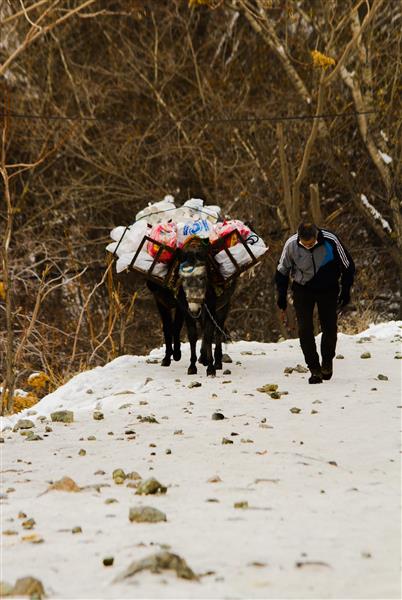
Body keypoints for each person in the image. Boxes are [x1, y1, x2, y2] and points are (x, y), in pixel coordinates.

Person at [275, 222, 355, 384]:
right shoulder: (291, 244)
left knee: (329, 327)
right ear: (299, 238)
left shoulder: (330, 240)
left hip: (328, 288)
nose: (309, 246)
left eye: (311, 243)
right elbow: (281, 271)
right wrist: (281, 297)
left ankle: (327, 362)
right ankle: (314, 369)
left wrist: (346, 290)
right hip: (303, 288)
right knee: (304, 329)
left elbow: (348, 265)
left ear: (316, 235)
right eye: (305, 244)